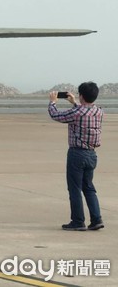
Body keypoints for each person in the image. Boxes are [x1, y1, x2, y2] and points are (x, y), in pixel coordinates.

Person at [48, 82, 104, 231]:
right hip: (92, 154)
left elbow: (56, 115)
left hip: (77, 153)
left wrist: (52, 102)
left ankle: (78, 221)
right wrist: (74, 103)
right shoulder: (99, 111)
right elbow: (83, 112)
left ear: (81, 96)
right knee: (89, 187)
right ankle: (96, 219)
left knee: (74, 189)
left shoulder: (77, 113)